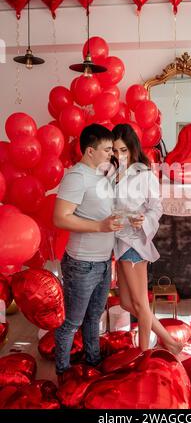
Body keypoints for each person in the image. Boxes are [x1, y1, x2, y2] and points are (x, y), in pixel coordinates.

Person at [53, 124, 123, 378]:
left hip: (103, 262)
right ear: (90, 151)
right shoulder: (76, 177)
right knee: (72, 323)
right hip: (82, 264)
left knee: (94, 318)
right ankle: (63, 373)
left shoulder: (98, 174)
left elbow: (100, 211)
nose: (110, 153)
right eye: (106, 149)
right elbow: (60, 218)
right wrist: (101, 226)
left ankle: (92, 365)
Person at [112, 123, 183, 354]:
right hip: (118, 243)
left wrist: (144, 219)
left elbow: (157, 208)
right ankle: (170, 341)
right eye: (115, 150)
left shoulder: (145, 175)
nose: (119, 155)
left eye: (123, 150)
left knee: (141, 303)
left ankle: (144, 355)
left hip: (134, 241)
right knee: (125, 302)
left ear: (133, 148)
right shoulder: (111, 173)